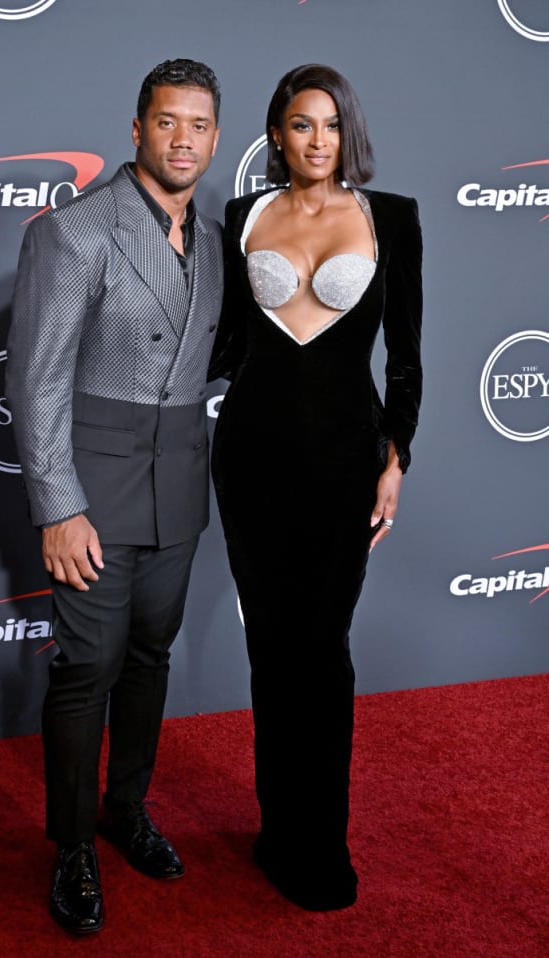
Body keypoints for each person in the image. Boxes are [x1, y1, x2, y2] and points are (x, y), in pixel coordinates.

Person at [6, 58, 222, 935]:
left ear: (216, 137)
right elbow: (36, 379)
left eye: (200, 125)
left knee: (149, 655)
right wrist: (58, 506)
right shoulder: (75, 231)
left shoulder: (213, 238)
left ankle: (123, 810)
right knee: (86, 665)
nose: (183, 139)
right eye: (167, 122)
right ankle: (72, 845)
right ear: (136, 130)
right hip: (94, 485)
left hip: (179, 479)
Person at [210, 64, 422, 911]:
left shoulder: (391, 218)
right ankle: (276, 831)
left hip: (344, 459)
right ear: (277, 134)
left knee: (322, 650)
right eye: (301, 125)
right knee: (270, 646)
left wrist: (395, 456)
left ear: (349, 134)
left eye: (330, 125)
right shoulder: (241, 216)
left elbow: (404, 359)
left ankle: (320, 845)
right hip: (251, 454)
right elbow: (221, 343)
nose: (317, 140)